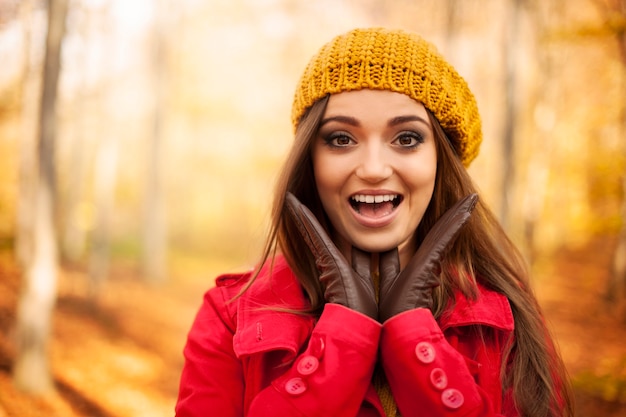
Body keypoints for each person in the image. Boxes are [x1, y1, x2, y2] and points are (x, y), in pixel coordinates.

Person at [175, 27, 575, 417]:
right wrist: (346, 336)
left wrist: (413, 337)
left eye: (406, 139)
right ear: (310, 160)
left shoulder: (505, 315)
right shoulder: (229, 315)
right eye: (341, 139)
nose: (372, 169)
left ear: (441, 160)